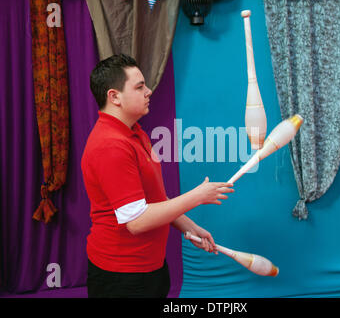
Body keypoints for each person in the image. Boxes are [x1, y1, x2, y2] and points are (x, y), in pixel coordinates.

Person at [81, 54, 234, 298]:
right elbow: (137, 221)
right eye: (140, 86)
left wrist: (190, 227)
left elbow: (155, 199)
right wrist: (197, 196)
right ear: (114, 97)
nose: (149, 91)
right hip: (122, 277)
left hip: (151, 267)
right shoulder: (110, 146)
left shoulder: (134, 131)